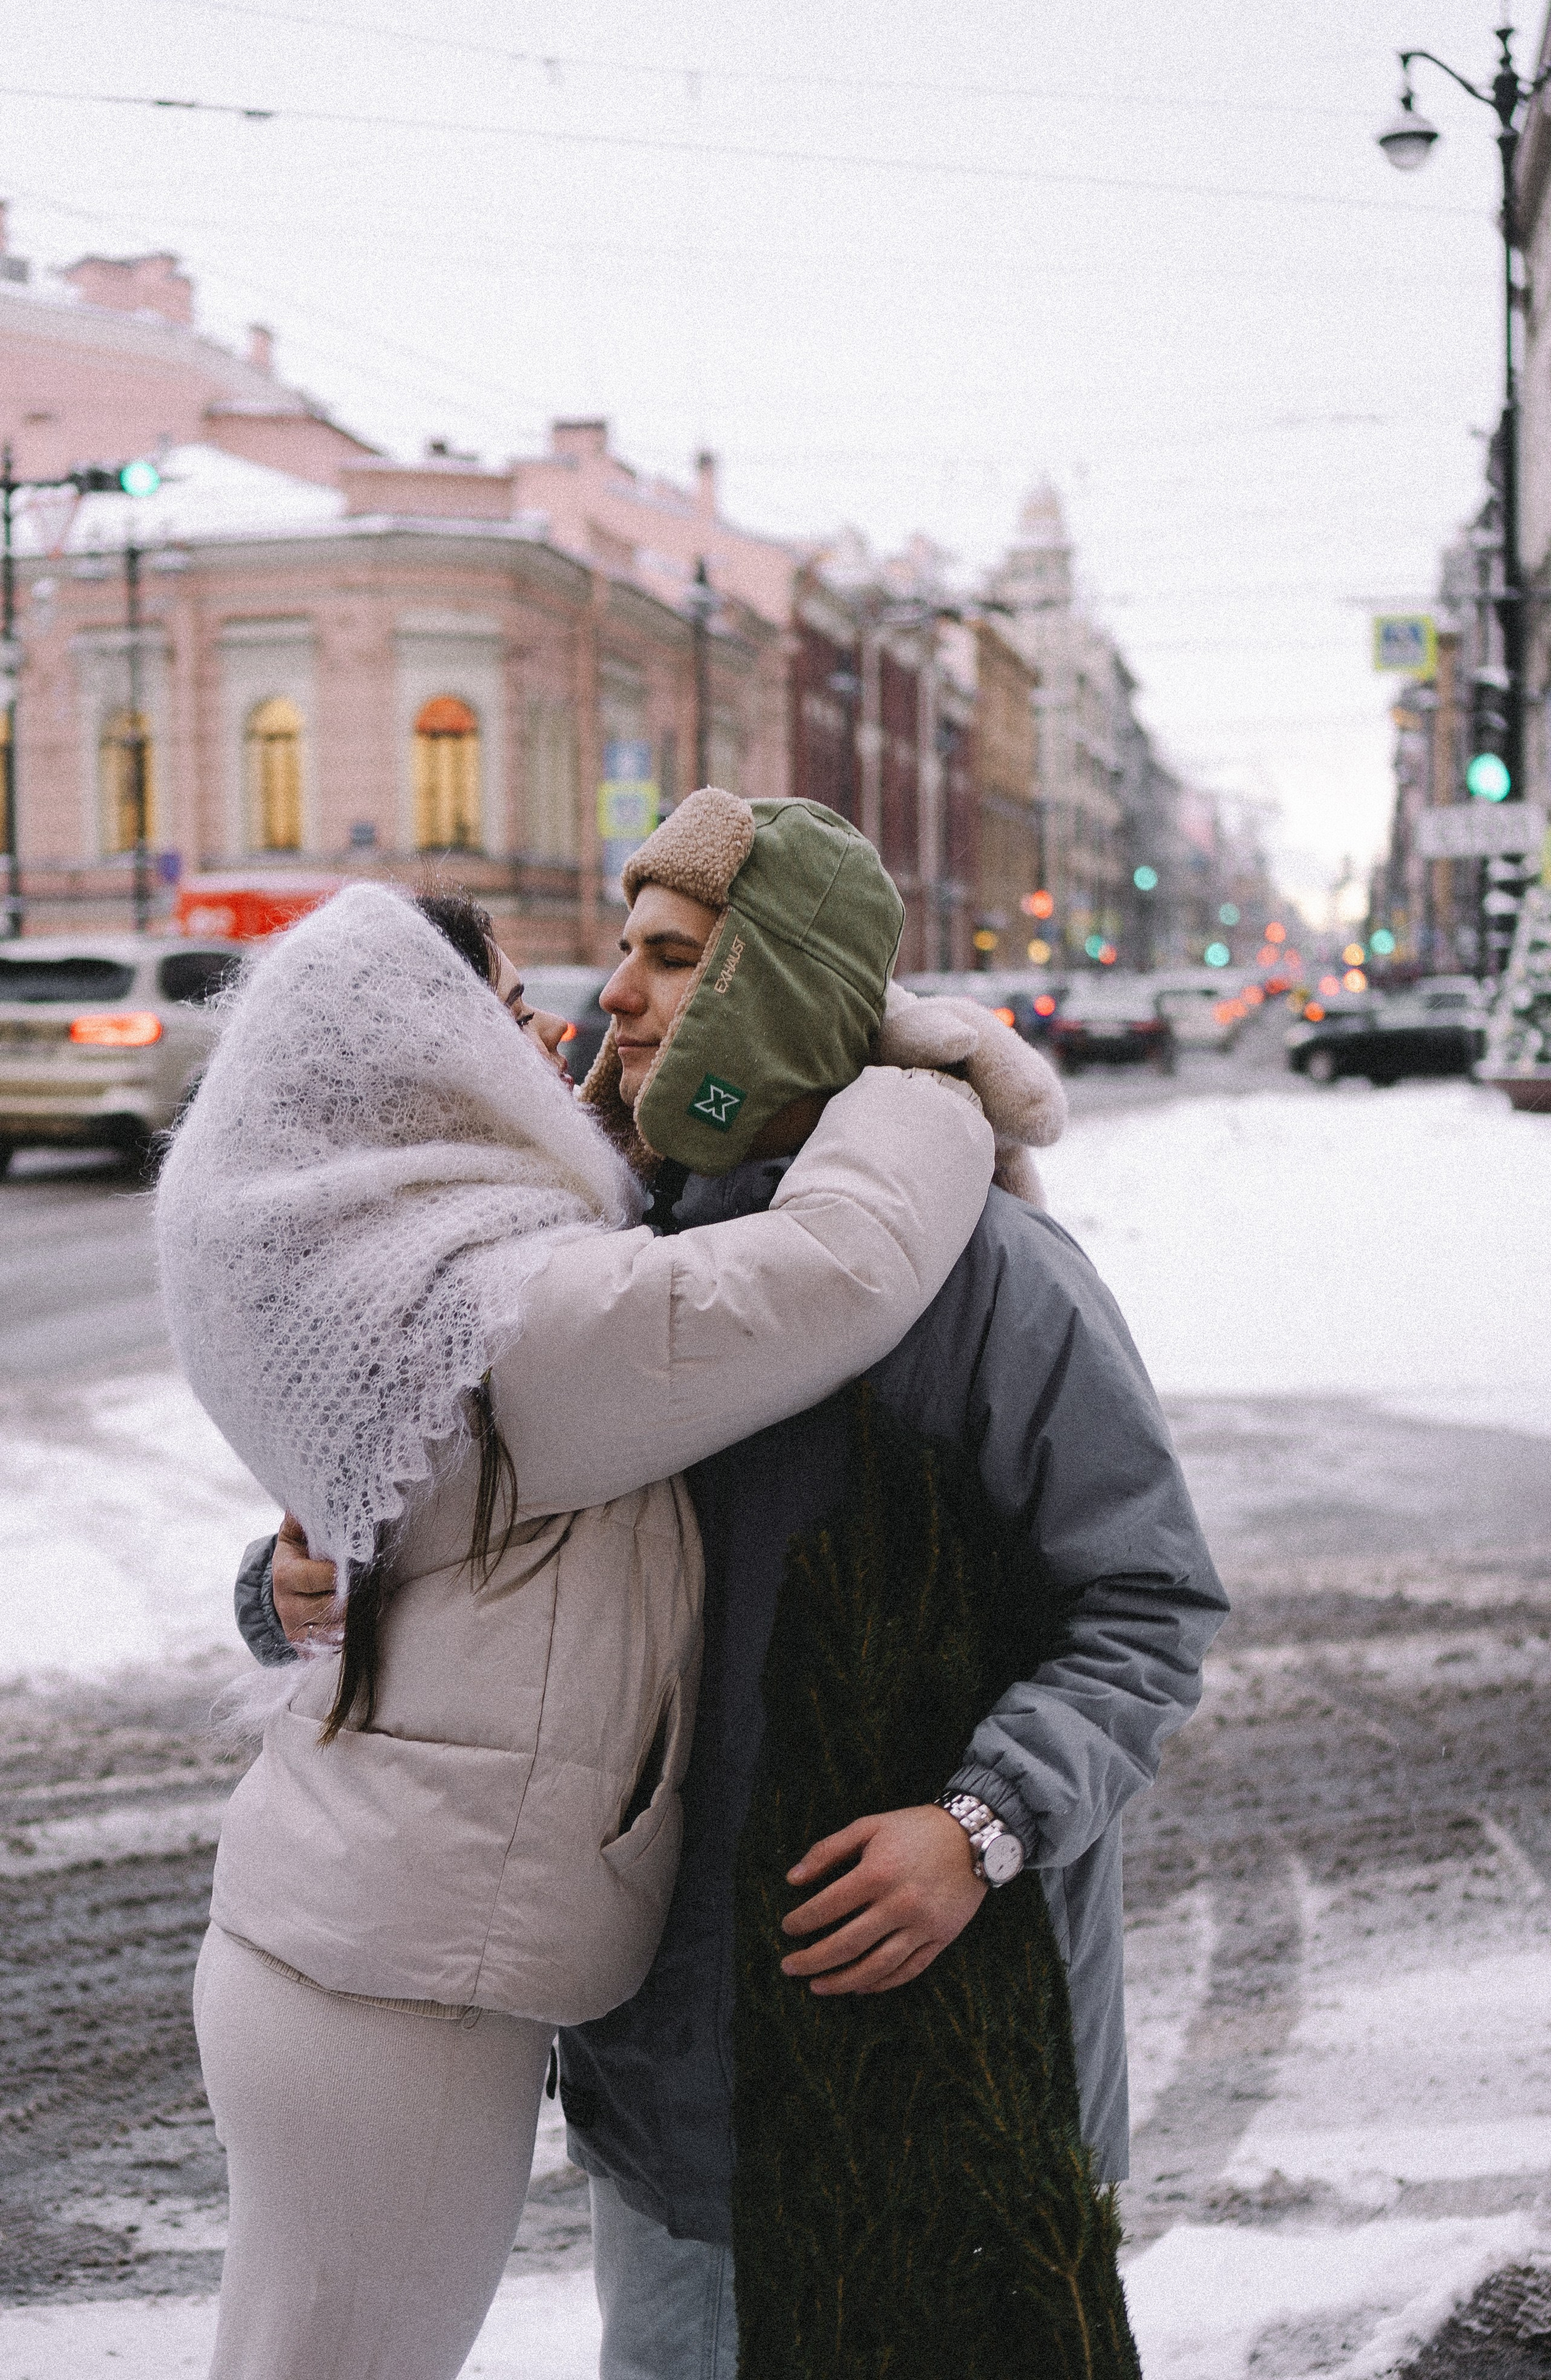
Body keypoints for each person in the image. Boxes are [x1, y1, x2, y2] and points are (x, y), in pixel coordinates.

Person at [251, 792, 1227, 2380]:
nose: (613, 999)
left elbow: (1144, 1606)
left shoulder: (993, 1281)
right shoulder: (594, 1263)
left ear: (773, 987)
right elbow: (438, 1533)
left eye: (671, 959)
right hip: (670, 2095)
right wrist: (294, 1575)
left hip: (944, 2068)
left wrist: (980, 1826)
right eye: (623, 956)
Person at [159, 864, 996, 2380]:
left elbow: (379, 1544)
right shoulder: (501, 1318)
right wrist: (922, 1088)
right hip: (397, 1997)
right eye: (510, 1013)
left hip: (331, 1938)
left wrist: (271, 1585)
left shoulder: (376, 1279)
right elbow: (832, 1273)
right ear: (430, 1058)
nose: (557, 1036)